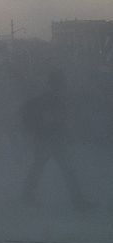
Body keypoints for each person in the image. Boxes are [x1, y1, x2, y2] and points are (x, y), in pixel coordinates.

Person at [21, 69, 84, 208]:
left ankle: (27, 195)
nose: (63, 86)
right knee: (65, 169)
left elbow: (58, 120)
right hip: (50, 139)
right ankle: (77, 200)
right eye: (61, 83)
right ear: (58, 84)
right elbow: (56, 120)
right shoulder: (52, 99)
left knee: (39, 167)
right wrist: (65, 133)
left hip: (48, 138)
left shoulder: (48, 99)